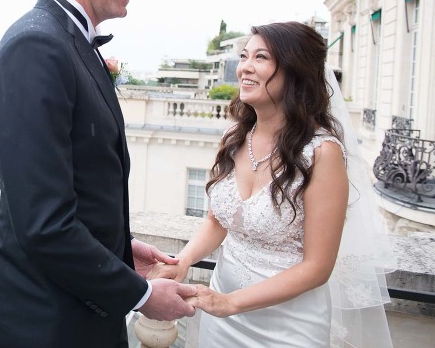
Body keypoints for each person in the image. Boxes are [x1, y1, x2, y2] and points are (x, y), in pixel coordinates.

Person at [0, 0, 196, 348]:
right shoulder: (37, 46)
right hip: (42, 325)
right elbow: (44, 223)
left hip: (71, 313)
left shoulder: (66, 41)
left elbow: (77, 184)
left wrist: (116, 250)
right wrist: (143, 294)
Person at [152, 21, 394, 347]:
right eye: (244, 56)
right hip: (220, 316)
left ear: (296, 71)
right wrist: (182, 261)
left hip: (288, 326)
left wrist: (231, 303)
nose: (244, 68)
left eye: (261, 57)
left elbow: (318, 267)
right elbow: (216, 221)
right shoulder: (235, 138)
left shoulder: (322, 154)